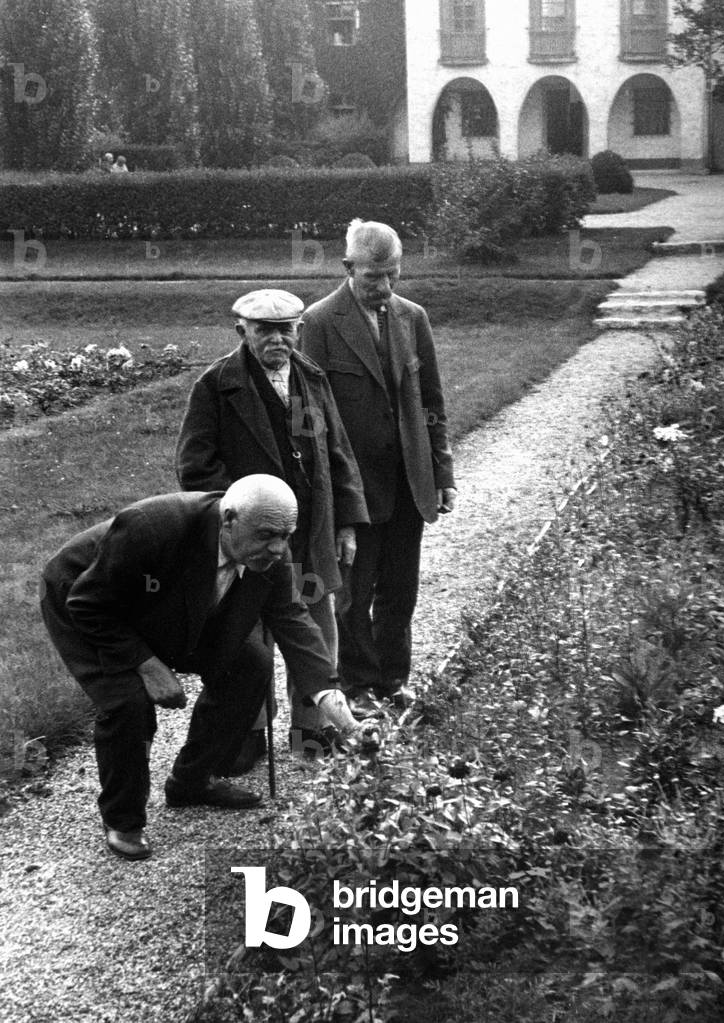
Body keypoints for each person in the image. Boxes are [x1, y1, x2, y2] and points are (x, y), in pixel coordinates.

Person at [40, 476, 373, 862]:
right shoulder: (152, 526)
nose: (279, 548)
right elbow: (88, 602)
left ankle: (191, 781)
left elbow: (293, 622)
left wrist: (343, 716)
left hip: (171, 602)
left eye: (286, 535)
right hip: (87, 599)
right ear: (228, 519)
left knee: (251, 664)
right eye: (267, 534)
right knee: (128, 702)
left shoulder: (268, 551)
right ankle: (123, 819)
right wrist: (146, 664)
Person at [176, 289, 369, 765]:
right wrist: (246, 515)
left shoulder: (312, 378)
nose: (277, 339)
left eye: (287, 329)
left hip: (311, 531)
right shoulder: (217, 385)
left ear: (299, 329)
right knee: (253, 631)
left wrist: (347, 522)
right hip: (254, 541)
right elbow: (195, 468)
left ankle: (311, 731)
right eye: (265, 330)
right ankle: (248, 732)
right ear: (241, 330)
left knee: (316, 630)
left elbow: (338, 454)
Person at [300, 219, 457, 715]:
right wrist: (332, 495)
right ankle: (358, 684)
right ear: (348, 268)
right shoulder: (320, 323)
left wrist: (442, 473)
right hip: (356, 489)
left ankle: (394, 678)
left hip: (410, 482)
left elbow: (432, 402)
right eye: (373, 277)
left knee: (400, 590)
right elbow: (312, 417)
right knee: (353, 592)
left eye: (393, 275)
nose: (384, 288)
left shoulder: (413, 318)